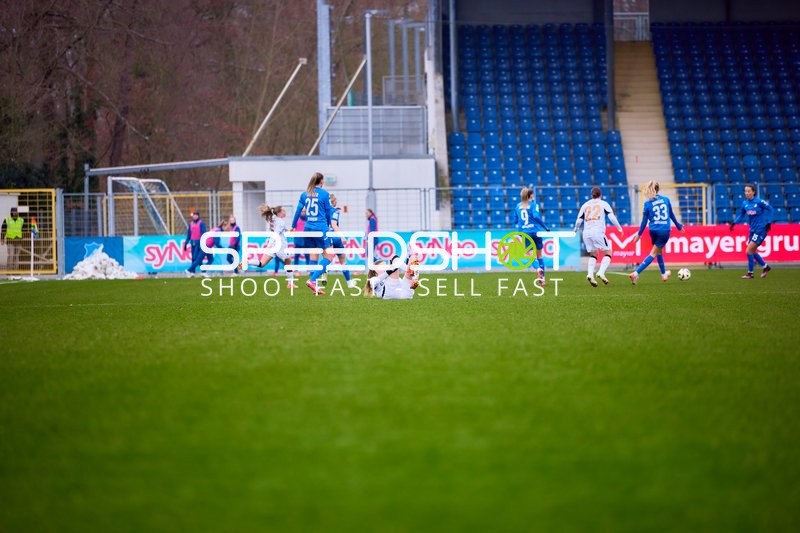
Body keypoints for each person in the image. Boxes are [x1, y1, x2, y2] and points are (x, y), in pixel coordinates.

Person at [630, 180, 685, 285]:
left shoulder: (647, 203)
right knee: (653, 253)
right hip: (664, 230)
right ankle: (636, 273)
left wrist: (639, 234)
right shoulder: (666, 200)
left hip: (653, 230)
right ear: (658, 189)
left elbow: (644, 221)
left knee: (659, 250)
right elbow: (671, 215)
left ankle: (664, 274)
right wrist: (678, 226)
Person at [290, 172, 334, 294]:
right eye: (323, 180)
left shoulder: (304, 194)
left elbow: (298, 211)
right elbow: (328, 213)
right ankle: (312, 280)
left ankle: (313, 282)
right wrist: (330, 226)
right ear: (321, 181)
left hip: (308, 228)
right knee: (329, 256)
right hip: (320, 228)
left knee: (314, 255)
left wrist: (293, 226)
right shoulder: (325, 194)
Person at [574, 187, 623, 287]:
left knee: (593, 254)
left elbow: (579, 220)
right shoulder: (603, 203)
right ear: (600, 195)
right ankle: (601, 272)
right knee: (608, 252)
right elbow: (612, 217)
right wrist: (619, 228)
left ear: (591, 195)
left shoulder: (585, 205)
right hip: (597, 232)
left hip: (586, 233)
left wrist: (575, 229)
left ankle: (590, 274)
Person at [245, 203, 296, 288]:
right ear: (279, 213)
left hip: (273, 247)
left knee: (262, 263)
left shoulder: (273, 220)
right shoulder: (280, 222)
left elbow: (279, 231)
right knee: (288, 262)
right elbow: (276, 234)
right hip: (279, 246)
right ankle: (290, 283)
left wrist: (289, 230)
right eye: (283, 210)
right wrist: (269, 245)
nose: (285, 211)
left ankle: (247, 261)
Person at [729, 183, 773, 279]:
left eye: (749, 191)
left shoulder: (759, 201)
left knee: (749, 250)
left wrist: (769, 222)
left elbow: (770, 209)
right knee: (751, 251)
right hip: (752, 230)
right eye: (746, 191)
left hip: (761, 229)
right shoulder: (745, 203)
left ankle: (750, 273)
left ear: (753, 192)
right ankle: (766, 267)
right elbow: (741, 215)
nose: (747, 193)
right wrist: (734, 223)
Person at [512, 187, 550, 285]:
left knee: (531, 256)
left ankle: (537, 269)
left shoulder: (517, 206)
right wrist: (545, 227)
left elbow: (515, 221)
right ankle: (543, 279)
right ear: (530, 196)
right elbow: (536, 216)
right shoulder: (533, 205)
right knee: (539, 255)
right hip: (536, 231)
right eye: (532, 195)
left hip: (525, 233)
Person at [327, 195, 358, 289]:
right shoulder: (335, 211)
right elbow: (334, 225)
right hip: (336, 237)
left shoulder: (323, 211)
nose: (337, 201)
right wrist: (342, 237)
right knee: (343, 260)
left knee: (327, 259)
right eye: (335, 200)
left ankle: (324, 274)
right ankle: (349, 283)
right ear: (333, 201)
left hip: (327, 237)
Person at [183, 210, 207, 277]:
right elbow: (189, 234)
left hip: (199, 243)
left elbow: (203, 234)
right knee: (194, 258)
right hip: (193, 243)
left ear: (198, 216)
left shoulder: (201, 223)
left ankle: (193, 271)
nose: (195, 216)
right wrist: (186, 243)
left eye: (196, 215)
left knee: (197, 258)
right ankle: (194, 272)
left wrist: (201, 243)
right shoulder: (191, 224)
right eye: (194, 215)